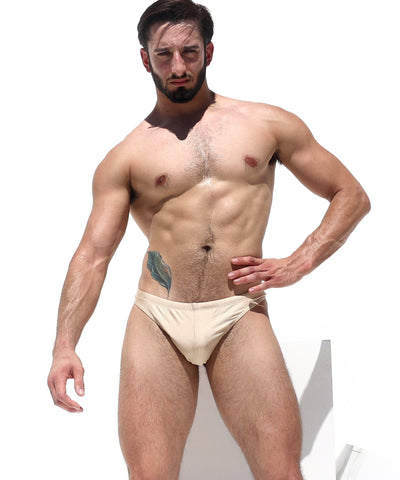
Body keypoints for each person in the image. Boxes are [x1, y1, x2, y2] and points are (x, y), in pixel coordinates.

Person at [47, 0, 370, 478]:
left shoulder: (266, 124)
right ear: (145, 59)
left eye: (190, 52)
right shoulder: (126, 156)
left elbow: (351, 196)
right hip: (158, 318)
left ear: (209, 52)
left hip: (238, 311)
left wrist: (298, 263)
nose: (178, 66)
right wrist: (64, 345)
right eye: (164, 55)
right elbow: (93, 255)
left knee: (281, 471)